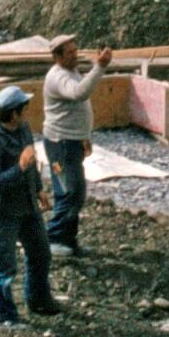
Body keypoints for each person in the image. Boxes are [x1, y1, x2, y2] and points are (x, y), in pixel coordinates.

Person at [0, 82, 61, 325]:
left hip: (27, 207)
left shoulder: (23, 129)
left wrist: (38, 188)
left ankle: (38, 301)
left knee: (41, 253)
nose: (27, 112)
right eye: (24, 108)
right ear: (13, 113)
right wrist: (20, 168)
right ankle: (5, 317)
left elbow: (31, 160)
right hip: (3, 213)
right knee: (4, 267)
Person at [40, 34, 105, 255]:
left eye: (76, 51)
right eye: (70, 53)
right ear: (57, 57)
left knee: (71, 191)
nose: (75, 55)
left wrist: (84, 136)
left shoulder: (70, 71)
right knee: (69, 191)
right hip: (60, 146)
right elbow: (79, 93)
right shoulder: (58, 77)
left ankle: (67, 240)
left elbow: (77, 105)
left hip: (70, 143)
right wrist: (100, 67)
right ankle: (54, 240)